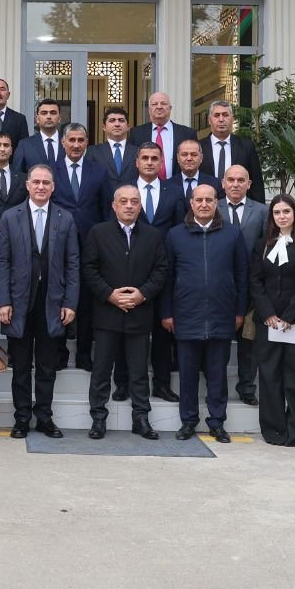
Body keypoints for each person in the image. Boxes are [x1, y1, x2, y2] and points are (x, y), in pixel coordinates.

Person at [0, 164, 79, 439]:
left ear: (53, 188)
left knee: (46, 365)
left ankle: (44, 417)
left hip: (52, 302)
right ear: (28, 185)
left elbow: (72, 264)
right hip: (18, 302)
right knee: (20, 365)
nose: (41, 186)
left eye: (46, 183)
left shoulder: (65, 218)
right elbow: (2, 261)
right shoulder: (10, 217)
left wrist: (70, 303)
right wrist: (3, 301)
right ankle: (21, 418)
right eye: (37, 182)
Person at [159, 183, 247, 443]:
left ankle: (217, 422)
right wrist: (167, 312)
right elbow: (167, 277)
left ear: (216, 203)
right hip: (186, 316)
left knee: (217, 375)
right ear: (191, 203)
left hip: (222, 316)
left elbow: (242, 276)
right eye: (199, 200)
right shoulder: (175, 235)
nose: (204, 204)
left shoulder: (233, 234)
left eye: (209, 200)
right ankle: (188, 421)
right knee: (187, 376)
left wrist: (239, 311)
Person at [82, 185, 168, 441]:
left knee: (139, 371)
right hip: (107, 314)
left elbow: (161, 270)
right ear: (114, 205)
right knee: (101, 371)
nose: (129, 206)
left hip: (140, 313)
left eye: (134, 201)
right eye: (124, 201)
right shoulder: (98, 233)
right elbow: (89, 269)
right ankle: (98, 418)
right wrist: (110, 294)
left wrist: (142, 294)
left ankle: (141, 419)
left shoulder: (153, 235)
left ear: (140, 206)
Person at [251, 194, 295, 447]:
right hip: (267, 322)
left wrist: (290, 315)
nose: (282, 216)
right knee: (269, 376)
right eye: (277, 212)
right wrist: (268, 313)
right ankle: (274, 430)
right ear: (272, 217)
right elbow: (255, 281)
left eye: (286, 212)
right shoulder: (262, 245)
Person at [52, 122, 110, 370]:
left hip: (90, 245)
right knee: (57, 296)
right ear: (63, 143)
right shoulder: (50, 171)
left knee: (86, 301)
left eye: (81, 140)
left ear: (87, 143)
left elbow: (106, 209)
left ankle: (84, 354)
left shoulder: (99, 172)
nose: (76, 145)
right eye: (72, 140)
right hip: (57, 245)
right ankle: (59, 352)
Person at [127, 142, 180, 403]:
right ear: (136, 162)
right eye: (145, 158)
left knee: (162, 332)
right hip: (129, 270)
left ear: (161, 163)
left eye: (154, 158)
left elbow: (179, 229)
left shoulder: (174, 192)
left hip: (163, 271)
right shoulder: (125, 190)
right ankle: (123, 383)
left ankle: (161, 383)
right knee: (126, 331)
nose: (149, 162)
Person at [221, 164, 267, 407]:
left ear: (249, 184)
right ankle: (216, 386)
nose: (235, 184)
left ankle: (247, 387)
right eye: (231, 180)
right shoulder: (212, 206)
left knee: (248, 340)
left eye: (241, 180)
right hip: (219, 287)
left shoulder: (261, 211)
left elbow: (267, 248)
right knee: (217, 341)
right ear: (223, 183)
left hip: (250, 287)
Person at [199, 100, 265, 203]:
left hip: (238, 206)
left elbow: (256, 183)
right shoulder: (199, 148)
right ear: (209, 120)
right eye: (216, 115)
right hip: (206, 205)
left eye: (225, 115)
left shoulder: (246, 146)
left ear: (232, 119)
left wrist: (259, 209)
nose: (221, 119)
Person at [128, 92, 195, 181]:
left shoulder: (187, 133)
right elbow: (132, 163)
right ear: (149, 109)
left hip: (178, 185)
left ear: (170, 108)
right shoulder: (136, 133)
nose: (159, 107)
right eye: (154, 104)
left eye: (163, 103)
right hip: (147, 186)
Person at [87, 105, 138, 185]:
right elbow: (88, 178)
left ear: (128, 127)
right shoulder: (93, 151)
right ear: (104, 127)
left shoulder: (138, 151)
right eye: (112, 120)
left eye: (121, 120)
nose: (117, 124)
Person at [12, 99, 65, 175]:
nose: (49, 116)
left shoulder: (68, 143)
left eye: (53, 113)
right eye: (44, 113)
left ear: (59, 118)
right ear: (37, 119)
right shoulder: (24, 145)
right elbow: (17, 175)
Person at [170, 139, 206, 205]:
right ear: (177, 158)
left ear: (201, 158)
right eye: (184, 154)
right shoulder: (168, 185)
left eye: (194, 155)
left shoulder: (214, 184)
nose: (189, 158)